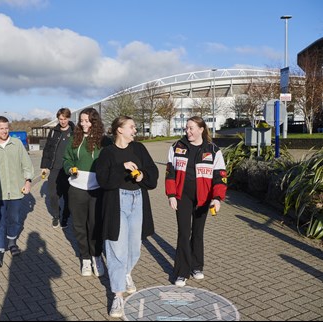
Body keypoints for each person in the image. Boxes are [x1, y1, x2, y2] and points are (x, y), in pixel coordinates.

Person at [97, 116, 159, 318]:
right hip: (117, 203)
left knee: (134, 247)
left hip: (138, 200)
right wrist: (121, 167)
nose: (135, 130)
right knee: (116, 248)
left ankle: (126, 273)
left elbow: (152, 171)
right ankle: (117, 295)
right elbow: (103, 179)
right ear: (119, 130)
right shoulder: (107, 153)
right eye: (131, 127)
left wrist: (142, 176)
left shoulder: (139, 148)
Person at [165, 116, 227, 287]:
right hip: (182, 197)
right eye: (186, 128)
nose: (188, 131)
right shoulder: (177, 147)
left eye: (191, 128)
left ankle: (197, 266)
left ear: (201, 129)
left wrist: (217, 198)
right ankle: (181, 272)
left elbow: (220, 176)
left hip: (204, 198)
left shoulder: (213, 150)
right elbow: (170, 173)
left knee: (198, 233)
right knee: (184, 233)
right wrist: (171, 195)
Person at [63, 107, 110, 277]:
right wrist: (69, 169)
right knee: (79, 226)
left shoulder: (104, 141)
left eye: (87, 121)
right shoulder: (74, 139)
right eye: (81, 121)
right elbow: (66, 159)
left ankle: (96, 257)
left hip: (97, 190)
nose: (83, 124)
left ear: (94, 122)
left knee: (95, 226)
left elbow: (112, 159)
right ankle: (85, 259)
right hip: (76, 189)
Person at [0, 116, 34, 270]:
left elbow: (26, 165)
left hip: (16, 192)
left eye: (6, 128)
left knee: (14, 219)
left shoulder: (17, 144)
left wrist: (27, 181)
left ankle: (12, 242)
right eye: (1, 128)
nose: (4, 131)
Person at [40, 108, 75, 228]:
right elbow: (47, 149)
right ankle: (56, 215)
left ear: (68, 118)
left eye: (65, 119)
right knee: (53, 194)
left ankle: (65, 217)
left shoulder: (75, 132)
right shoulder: (54, 132)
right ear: (58, 119)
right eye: (60, 119)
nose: (63, 121)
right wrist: (44, 166)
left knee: (68, 197)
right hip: (55, 168)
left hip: (69, 170)